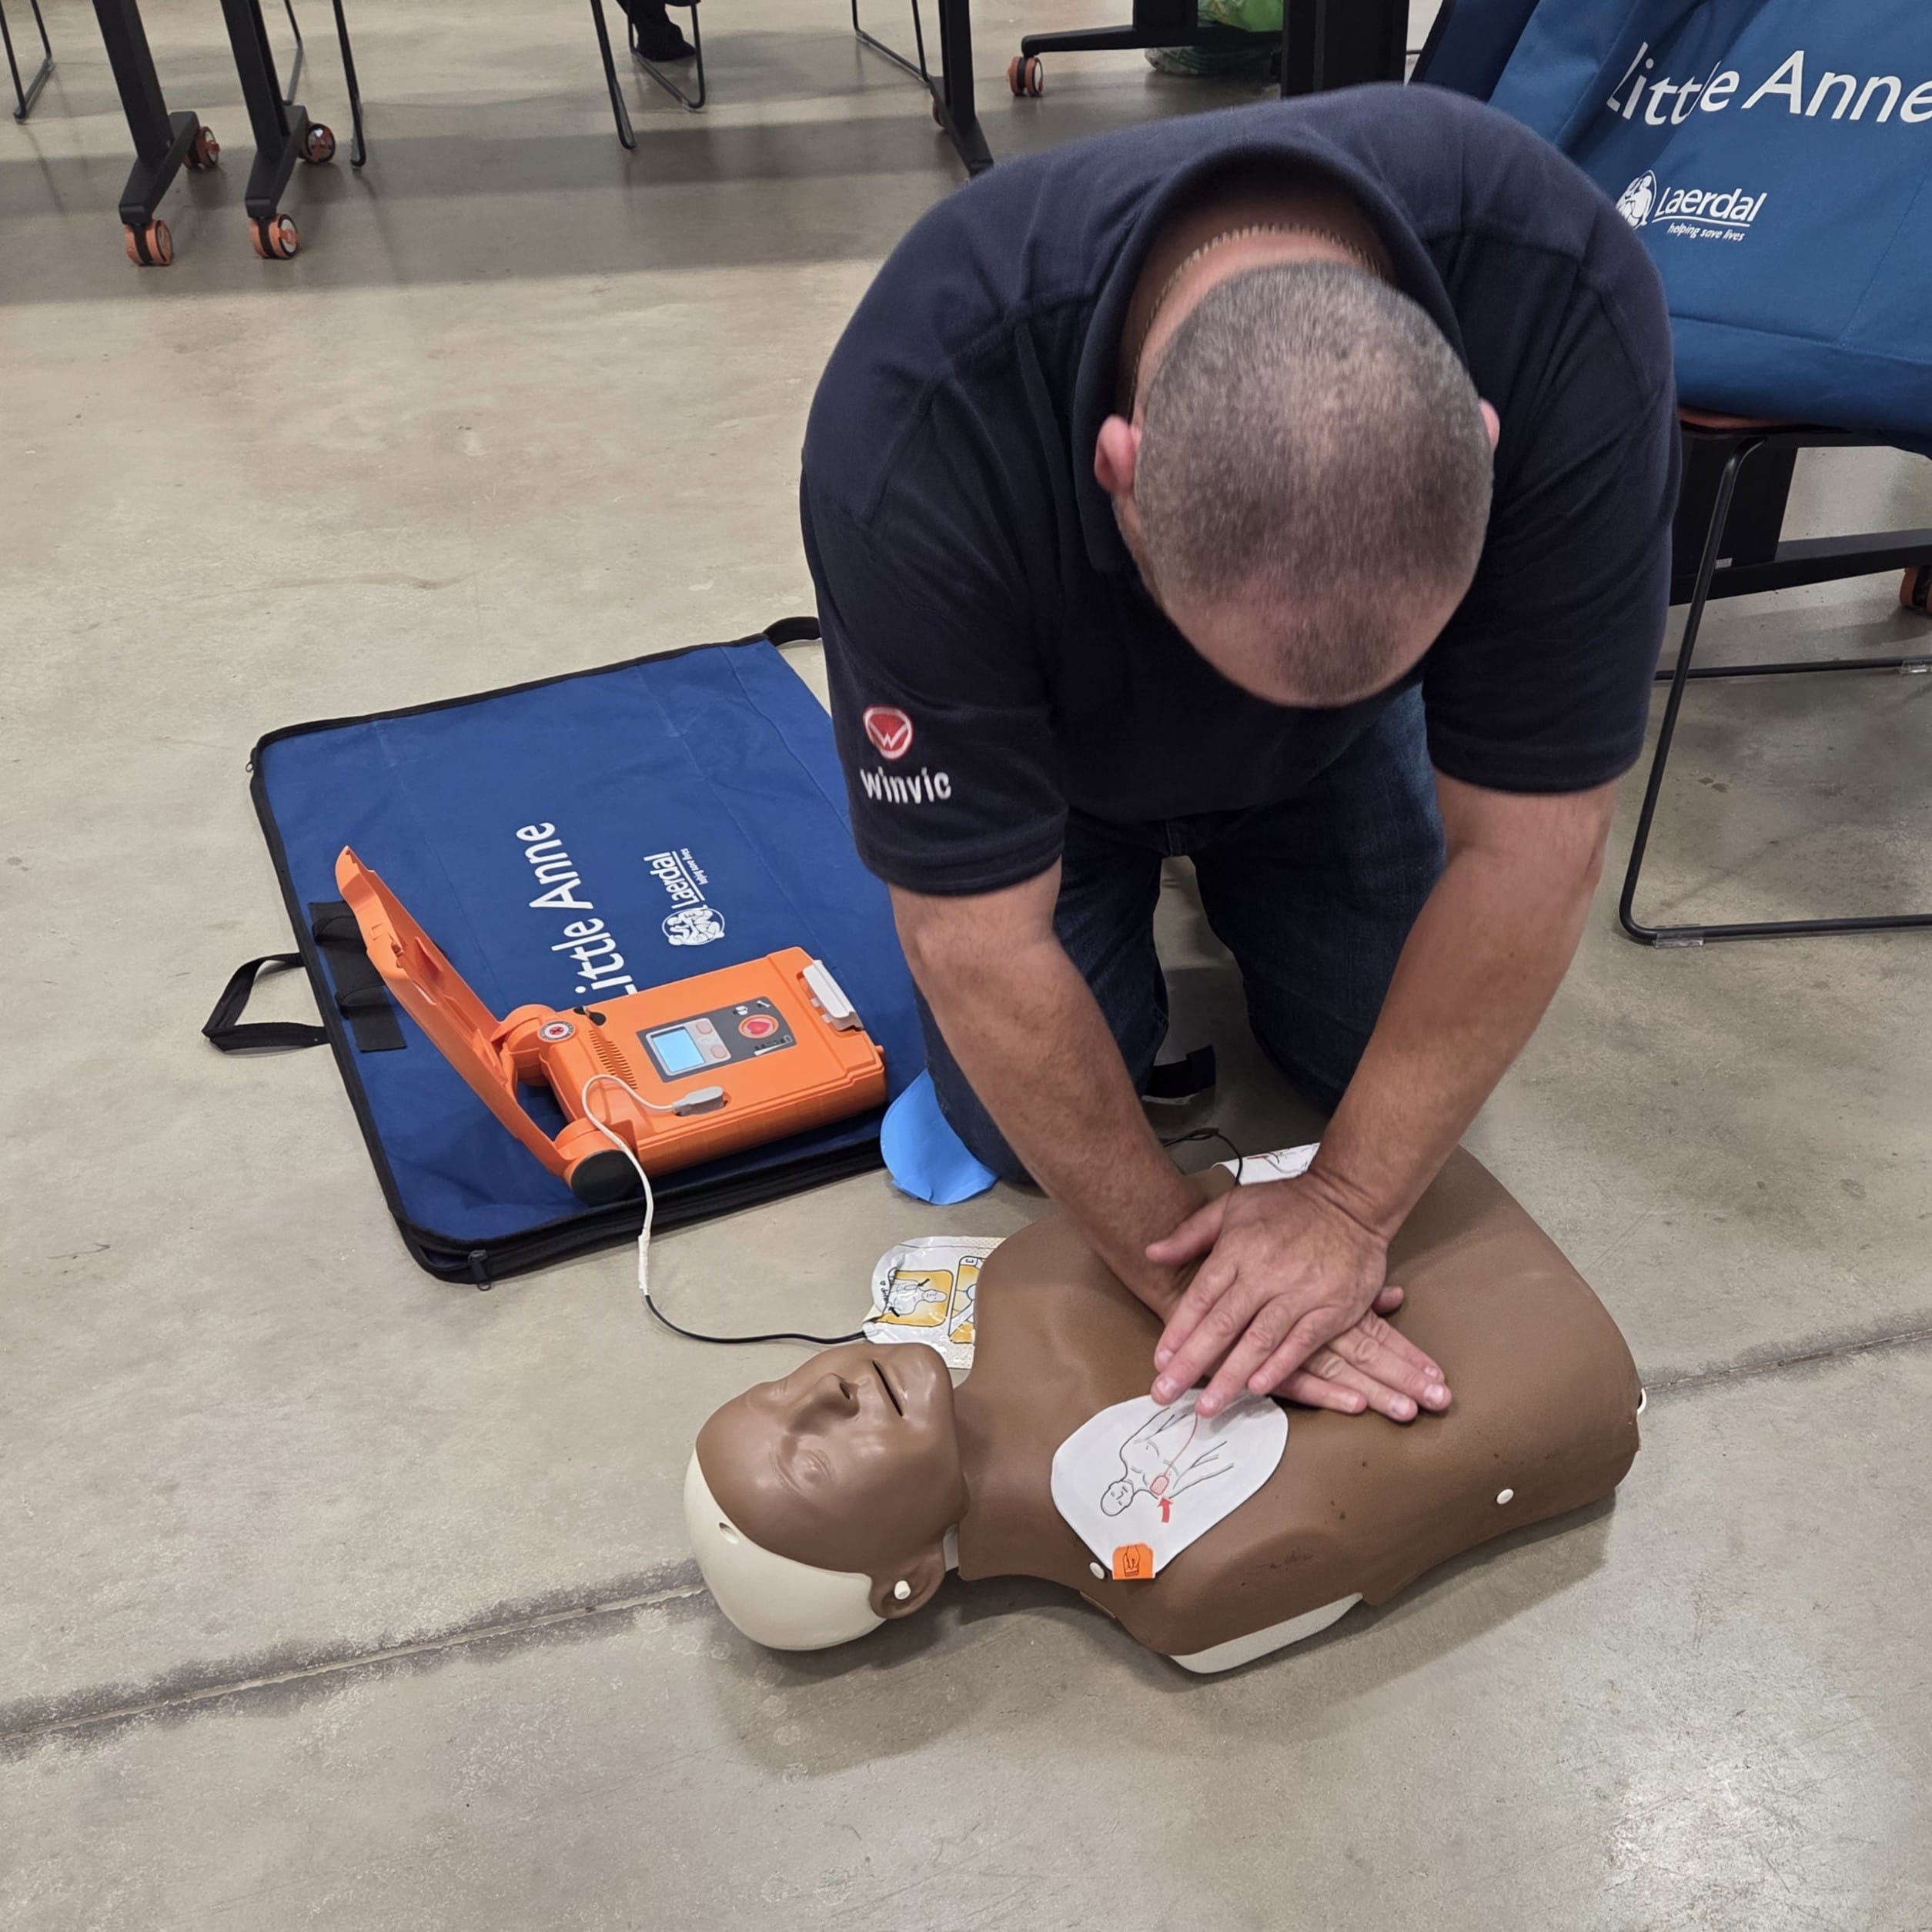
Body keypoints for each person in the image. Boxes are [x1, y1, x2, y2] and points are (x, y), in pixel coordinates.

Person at [800, 87, 1676, 1428]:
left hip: (1333, 759)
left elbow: (1535, 847)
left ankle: (1315, 771)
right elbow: (974, 943)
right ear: (1120, 471)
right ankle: (1155, 846)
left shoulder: (1567, 314)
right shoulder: (917, 426)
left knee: (1373, 1067)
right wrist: (1184, 1271)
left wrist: (1345, 1205)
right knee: (1012, 1139)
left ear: (1486, 448)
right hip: (1058, 762)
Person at [685, 1149, 1643, 1667]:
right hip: (1555, 1354)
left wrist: (1347, 1208)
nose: (819, 1390)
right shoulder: (1186, 1585)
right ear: (907, 1584)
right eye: (808, 1461)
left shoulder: (1022, 1278)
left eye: (774, 1392)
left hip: (1429, 1201)